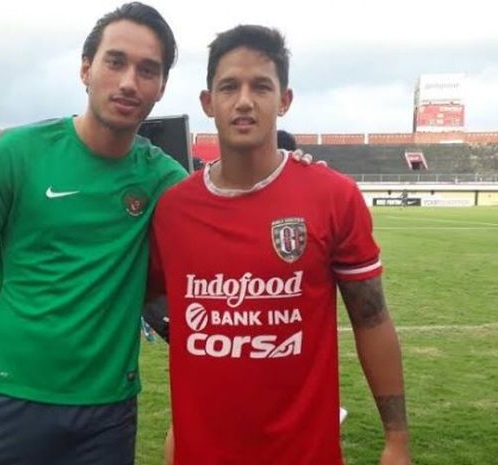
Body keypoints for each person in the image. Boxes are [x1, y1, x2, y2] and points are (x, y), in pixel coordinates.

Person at [0, 4, 185, 465]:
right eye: (115, 61)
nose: (129, 81)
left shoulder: (165, 181)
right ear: (86, 69)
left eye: (148, 70)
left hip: (106, 412)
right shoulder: (17, 153)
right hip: (7, 395)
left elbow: (238, 202)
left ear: (161, 86)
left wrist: (295, 168)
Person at [149, 25, 411, 465]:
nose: (245, 100)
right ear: (208, 102)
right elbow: (149, 294)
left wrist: (396, 440)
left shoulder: (333, 197)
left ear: (284, 100)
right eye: (229, 86)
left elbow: (372, 319)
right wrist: (200, 348)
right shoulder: (174, 209)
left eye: (261, 86)